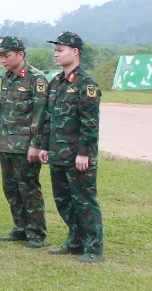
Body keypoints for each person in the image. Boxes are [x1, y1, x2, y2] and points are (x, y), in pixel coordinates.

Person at [38, 32, 104, 263]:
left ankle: (94, 248)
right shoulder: (56, 82)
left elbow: (90, 123)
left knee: (84, 201)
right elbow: (49, 117)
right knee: (63, 200)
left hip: (77, 155)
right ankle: (75, 241)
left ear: (75, 52)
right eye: (55, 50)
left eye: (60, 50)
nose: (56, 54)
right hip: (58, 152)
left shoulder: (86, 84)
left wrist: (84, 153)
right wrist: (45, 146)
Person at [0, 36, 49, 248]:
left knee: (29, 189)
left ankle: (36, 232)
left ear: (21, 55)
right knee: (10, 188)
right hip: (7, 143)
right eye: (1, 56)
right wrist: (0, 141)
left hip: (26, 146)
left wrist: (36, 144)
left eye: (7, 55)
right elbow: (3, 111)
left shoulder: (36, 79)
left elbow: (40, 114)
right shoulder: (7, 77)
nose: (3, 60)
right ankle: (20, 227)